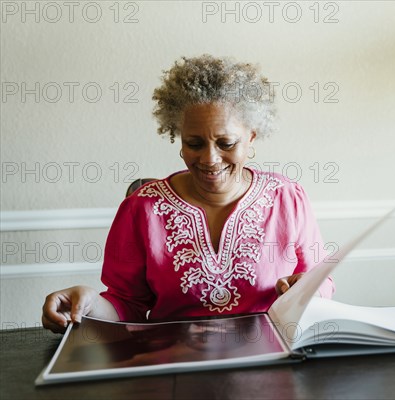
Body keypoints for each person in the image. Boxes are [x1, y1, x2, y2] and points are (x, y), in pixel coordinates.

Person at [42, 55, 334, 333]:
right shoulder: (143, 207)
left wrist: (309, 290)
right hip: (173, 366)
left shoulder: (287, 198)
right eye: (194, 143)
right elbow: (126, 305)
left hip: (271, 359)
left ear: (251, 137)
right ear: (178, 137)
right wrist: (89, 303)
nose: (209, 159)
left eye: (226, 143)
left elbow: (321, 282)